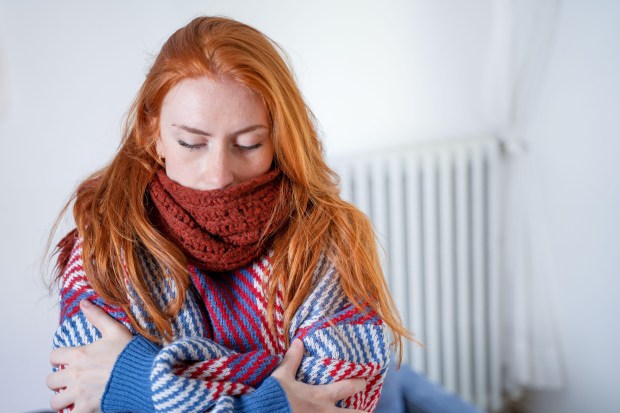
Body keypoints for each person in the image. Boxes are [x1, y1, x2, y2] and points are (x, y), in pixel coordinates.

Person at [45, 16, 411, 413]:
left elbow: (344, 399)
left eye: (249, 144)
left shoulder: (326, 236)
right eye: (192, 143)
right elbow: (78, 393)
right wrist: (276, 399)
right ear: (154, 134)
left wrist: (135, 382)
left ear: (279, 139)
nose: (219, 175)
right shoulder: (105, 239)